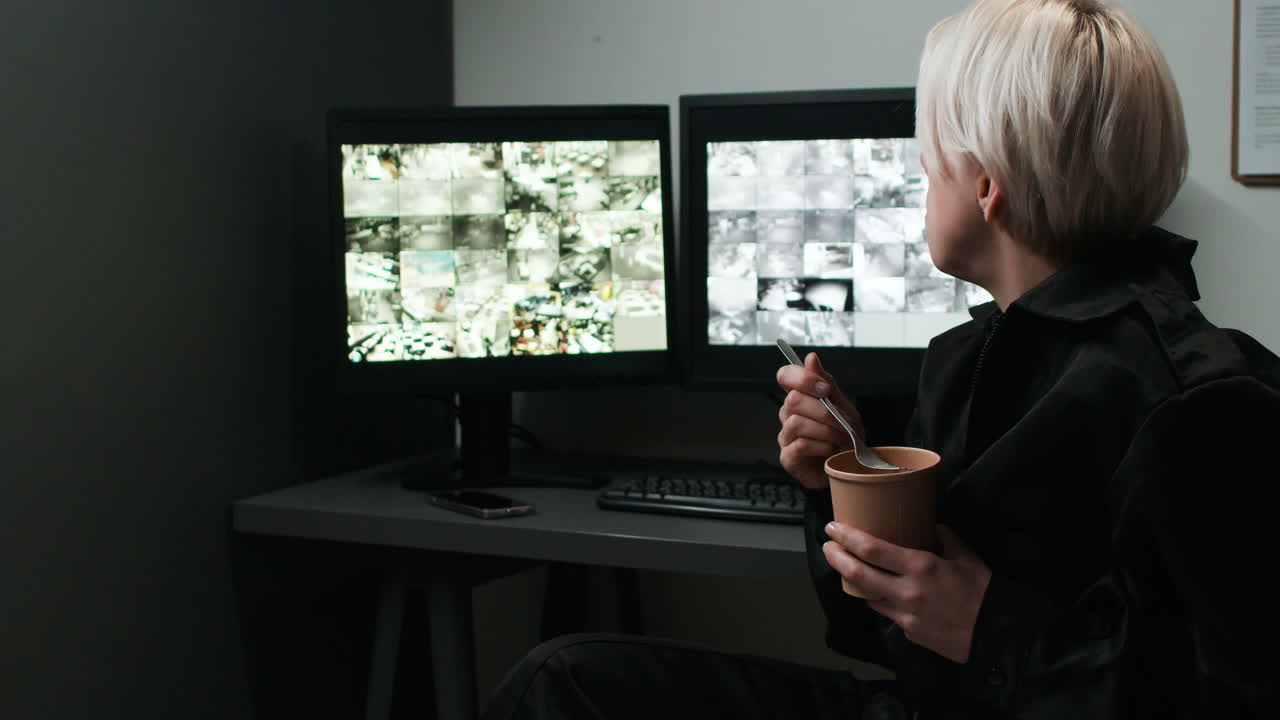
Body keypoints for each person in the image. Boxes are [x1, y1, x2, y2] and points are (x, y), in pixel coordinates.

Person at [480, 1, 1280, 718]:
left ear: (986, 185)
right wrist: (841, 480)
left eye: (928, 152)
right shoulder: (968, 357)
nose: (917, 173)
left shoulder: (1200, 404)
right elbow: (882, 630)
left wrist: (986, 626)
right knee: (566, 679)